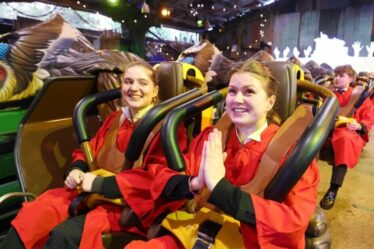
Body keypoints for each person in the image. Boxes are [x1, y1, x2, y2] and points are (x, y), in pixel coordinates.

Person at [125, 60, 320, 249]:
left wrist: (220, 189)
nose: (237, 99)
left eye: (249, 92)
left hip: (248, 241)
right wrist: (194, 182)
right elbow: (163, 176)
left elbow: (292, 220)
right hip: (196, 231)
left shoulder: (291, 153)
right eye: (233, 91)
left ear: (270, 102)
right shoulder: (212, 137)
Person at [0, 61, 187, 249]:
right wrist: (76, 169)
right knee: (35, 214)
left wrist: (101, 184)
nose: (134, 88)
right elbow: (88, 151)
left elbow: (159, 179)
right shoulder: (115, 119)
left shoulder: (168, 129)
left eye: (142, 83)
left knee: (64, 235)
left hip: (129, 205)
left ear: (155, 91)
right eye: (128, 82)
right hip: (92, 192)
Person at [320, 65, 374, 210]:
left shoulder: (359, 95)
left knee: (345, 140)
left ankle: (333, 190)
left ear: (351, 79)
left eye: (341, 75)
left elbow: (368, 116)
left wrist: (359, 125)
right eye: (336, 75)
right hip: (325, 127)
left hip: (346, 129)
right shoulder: (327, 91)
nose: (337, 78)